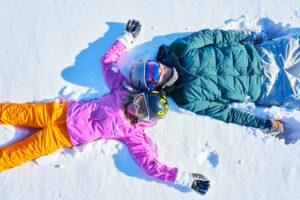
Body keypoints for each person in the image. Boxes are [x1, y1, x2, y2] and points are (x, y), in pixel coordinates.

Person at [0, 20, 210, 195]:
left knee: (15, 155)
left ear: (145, 119)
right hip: (57, 112)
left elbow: (150, 165)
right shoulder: (122, 90)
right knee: (10, 112)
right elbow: (107, 61)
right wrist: (126, 39)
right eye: (139, 102)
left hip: (61, 137)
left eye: (140, 110)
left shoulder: (133, 134)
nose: (134, 107)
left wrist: (184, 178)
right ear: (141, 95)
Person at [129, 23, 300, 136]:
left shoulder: (178, 49)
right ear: (153, 87)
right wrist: (263, 124)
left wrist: (247, 37)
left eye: (151, 66)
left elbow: (214, 36)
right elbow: (226, 113)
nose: (157, 69)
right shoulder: (185, 98)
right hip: (269, 88)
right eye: (152, 76)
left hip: (264, 54)